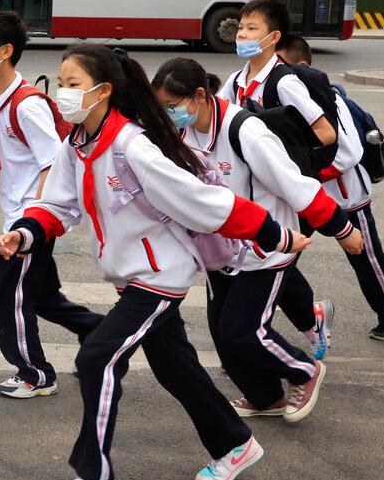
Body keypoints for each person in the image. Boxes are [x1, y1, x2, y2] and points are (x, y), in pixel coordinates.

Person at [0, 44, 309, 480]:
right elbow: (57, 204)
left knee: (98, 357)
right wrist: (26, 232)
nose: (62, 93)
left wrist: (276, 234)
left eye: (73, 84)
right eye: (61, 82)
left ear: (103, 91)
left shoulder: (131, 145)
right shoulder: (76, 144)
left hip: (159, 275)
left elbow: (201, 200)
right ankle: (235, 444)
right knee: (174, 366)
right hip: (130, 275)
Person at [152, 57, 361, 421]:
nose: (169, 115)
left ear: (198, 96)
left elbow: (295, 186)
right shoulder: (182, 133)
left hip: (266, 248)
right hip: (220, 250)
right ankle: (266, 398)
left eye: (172, 107)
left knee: (242, 332)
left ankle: (304, 370)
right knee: (222, 335)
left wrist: (342, 229)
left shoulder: (245, 131)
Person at [0, 11, 103, 398]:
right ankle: (97, 332)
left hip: (29, 223)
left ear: (5, 51)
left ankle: (36, 374)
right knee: (42, 297)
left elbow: (52, 163)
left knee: (8, 299)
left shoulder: (27, 105)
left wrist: (34, 222)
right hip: (19, 214)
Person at [219, 0, 337, 360]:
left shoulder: (284, 82)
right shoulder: (236, 80)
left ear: (273, 37)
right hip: (250, 192)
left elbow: (326, 133)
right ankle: (311, 321)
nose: (242, 34)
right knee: (273, 265)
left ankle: (265, 345)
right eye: (240, 28)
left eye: (251, 29)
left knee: (272, 264)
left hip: (286, 192)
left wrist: (277, 144)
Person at [277, 35, 384, 341]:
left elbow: (348, 153)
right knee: (278, 259)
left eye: (280, 66)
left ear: (301, 66)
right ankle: (268, 329)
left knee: (366, 257)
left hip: (346, 198)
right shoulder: (286, 99)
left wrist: (306, 174)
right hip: (306, 198)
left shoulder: (331, 99)